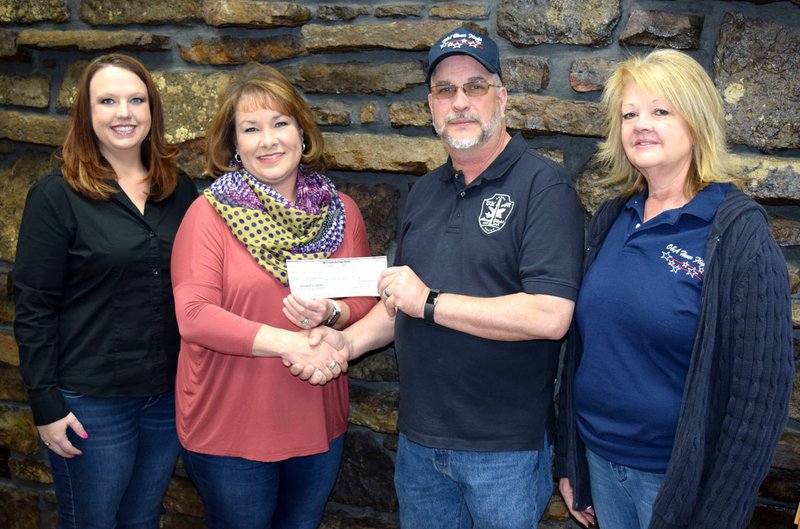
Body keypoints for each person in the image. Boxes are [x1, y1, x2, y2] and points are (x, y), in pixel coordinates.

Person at [297, 28, 585, 529]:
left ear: (502, 97)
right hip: (420, 444)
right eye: (444, 90)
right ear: (430, 105)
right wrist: (340, 344)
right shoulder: (425, 191)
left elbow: (550, 314)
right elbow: (397, 306)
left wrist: (429, 301)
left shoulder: (544, 187)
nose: (460, 102)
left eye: (475, 86)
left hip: (503, 452)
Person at [555, 49, 794, 529]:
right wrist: (571, 462)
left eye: (661, 111)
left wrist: (716, 514)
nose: (641, 124)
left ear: (697, 122)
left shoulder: (737, 233)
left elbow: (760, 399)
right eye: (629, 114)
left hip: (677, 483)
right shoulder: (610, 219)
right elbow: (580, 351)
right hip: (602, 467)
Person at [170, 63, 375, 529]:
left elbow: (365, 299)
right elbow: (195, 317)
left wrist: (334, 312)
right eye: (251, 129)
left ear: (302, 134)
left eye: (280, 123)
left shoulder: (339, 214)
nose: (268, 140)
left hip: (317, 423)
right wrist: (291, 342)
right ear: (234, 145)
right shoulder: (209, 216)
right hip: (230, 430)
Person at [13, 54, 197, 528]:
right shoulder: (56, 195)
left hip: (165, 395)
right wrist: (46, 405)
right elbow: (34, 307)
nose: (124, 112)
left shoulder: (181, 191)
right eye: (108, 100)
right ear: (86, 113)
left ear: (152, 111)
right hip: (91, 403)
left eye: (137, 100)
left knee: (142, 520)